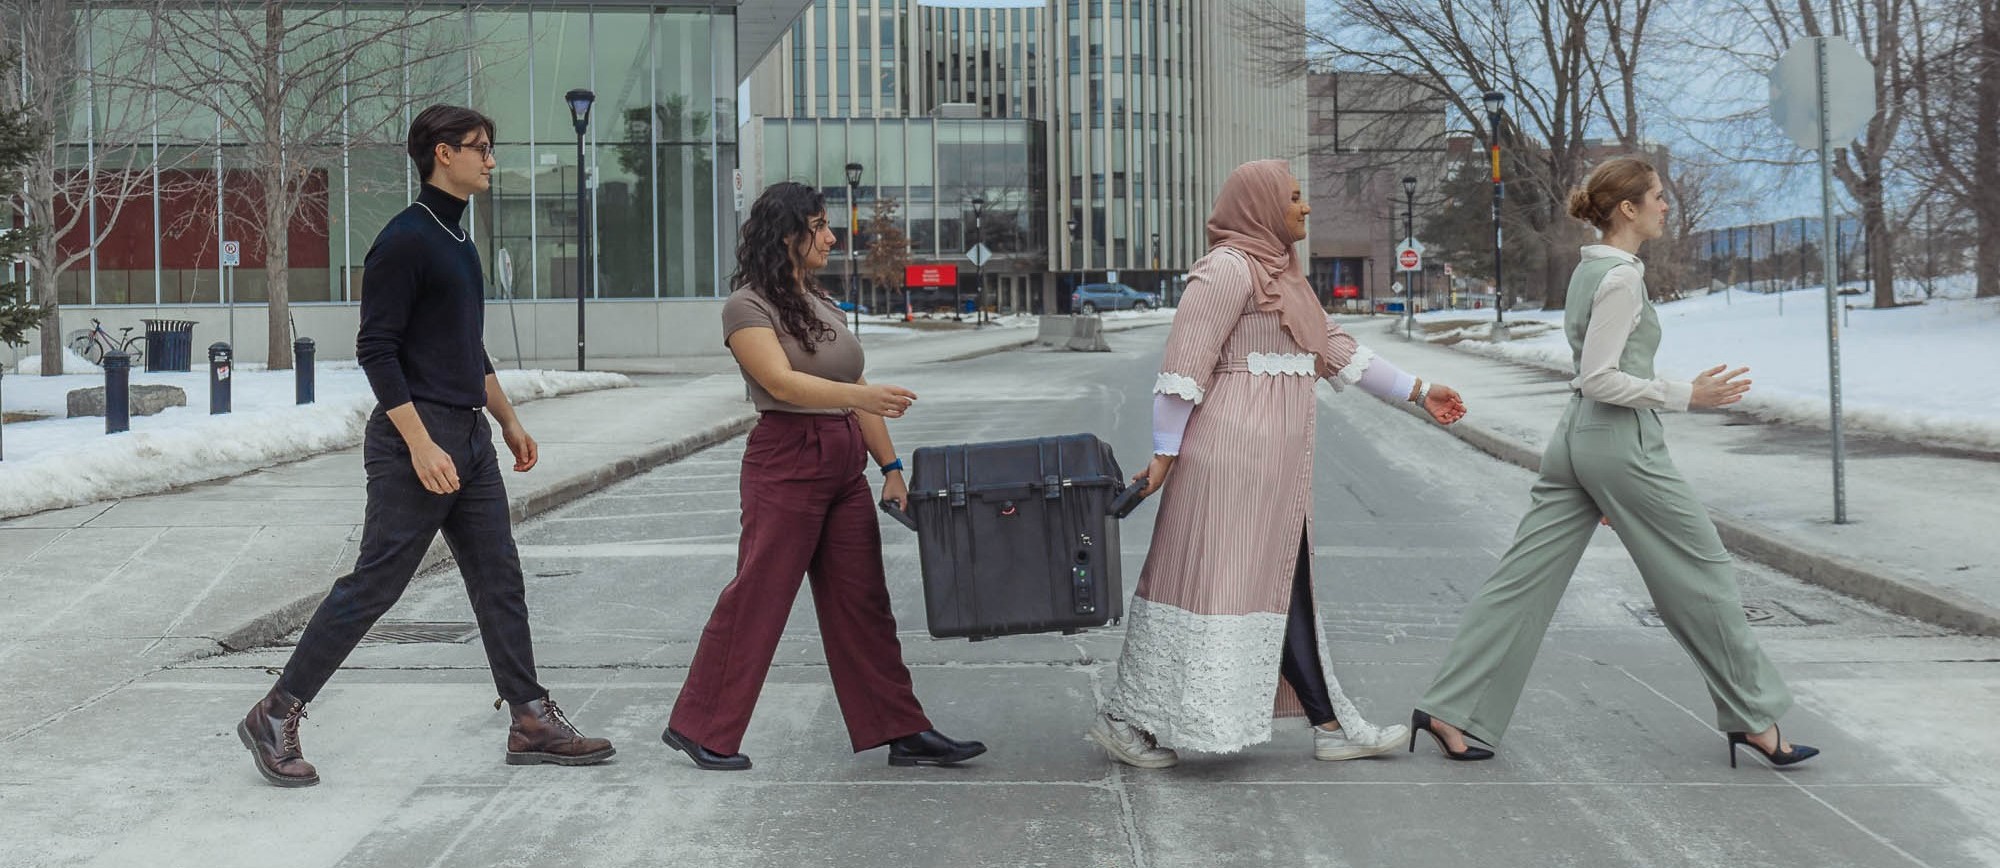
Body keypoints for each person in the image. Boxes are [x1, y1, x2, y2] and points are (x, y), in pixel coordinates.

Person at [238, 105, 613, 788]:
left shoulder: (459, 241)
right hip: (417, 437)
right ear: (443, 153)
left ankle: (530, 719)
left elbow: (465, 345)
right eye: (480, 147)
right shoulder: (405, 241)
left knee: (499, 576)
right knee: (377, 583)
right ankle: (275, 711)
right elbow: (376, 350)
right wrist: (419, 445)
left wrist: (508, 420)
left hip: (468, 434)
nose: (491, 160)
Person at [1411, 157, 1817, 769]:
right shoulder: (1622, 277)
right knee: (1702, 572)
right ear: (1628, 208)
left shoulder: (1590, 270)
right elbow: (1599, 377)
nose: (1665, 206)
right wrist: (1687, 395)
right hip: (1620, 442)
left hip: (1578, 439)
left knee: (1523, 581)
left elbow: (1593, 376)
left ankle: (1453, 709)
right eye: (1657, 196)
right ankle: (1755, 719)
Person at [1088, 159, 1468, 768]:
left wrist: (1420, 391)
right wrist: (1164, 453)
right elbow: (1184, 364)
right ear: (1261, 205)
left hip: (1275, 465)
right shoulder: (1226, 269)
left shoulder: (1284, 274)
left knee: (1281, 587)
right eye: (1293, 197)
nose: (1304, 207)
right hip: (1228, 457)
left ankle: (1328, 724)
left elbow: (1335, 348)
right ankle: (1129, 717)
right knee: (1209, 584)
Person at [660, 181, 984, 771]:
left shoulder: (820, 301)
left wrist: (891, 468)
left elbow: (855, 388)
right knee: (759, 597)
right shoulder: (747, 306)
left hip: (844, 464)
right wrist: (861, 398)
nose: (832, 237)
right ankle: (700, 727)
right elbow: (781, 383)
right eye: (820, 226)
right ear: (788, 234)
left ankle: (902, 728)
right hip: (786, 460)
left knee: (864, 603)